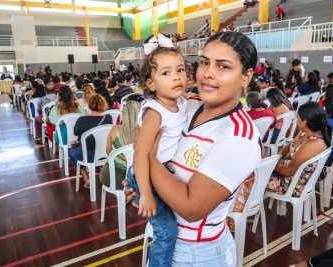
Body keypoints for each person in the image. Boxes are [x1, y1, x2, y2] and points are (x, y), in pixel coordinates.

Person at [125, 31, 261, 266]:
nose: (208, 73)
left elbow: (190, 207)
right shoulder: (186, 105)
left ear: (246, 77)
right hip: (167, 240)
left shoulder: (239, 136)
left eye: (223, 66)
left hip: (198, 253)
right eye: (205, 62)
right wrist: (140, 186)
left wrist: (148, 161)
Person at [127, 33, 189, 267]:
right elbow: (140, 155)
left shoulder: (181, 102)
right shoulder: (154, 112)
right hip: (145, 177)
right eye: (166, 73)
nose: (176, 77)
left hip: (161, 173)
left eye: (180, 70)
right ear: (150, 84)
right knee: (167, 233)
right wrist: (146, 194)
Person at [266, 102, 331, 197]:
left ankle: (247, 209)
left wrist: (274, 164)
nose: (296, 120)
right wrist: (278, 157)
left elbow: (288, 171)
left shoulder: (313, 143)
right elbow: (289, 146)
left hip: (293, 184)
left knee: (254, 178)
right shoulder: (305, 132)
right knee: (255, 173)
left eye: (297, 118)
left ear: (304, 122)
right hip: (288, 174)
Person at [99, 94, 143, 189]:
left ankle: (121, 200)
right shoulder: (147, 133)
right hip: (140, 179)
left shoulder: (115, 130)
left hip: (114, 177)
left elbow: (108, 152)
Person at [69, 94, 113, 188]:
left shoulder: (82, 120)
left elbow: (75, 132)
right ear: (103, 105)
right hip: (105, 153)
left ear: (89, 105)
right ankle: (103, 174)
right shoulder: (109, 117)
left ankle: (86, 177)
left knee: (72, 153)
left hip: (88, 154)